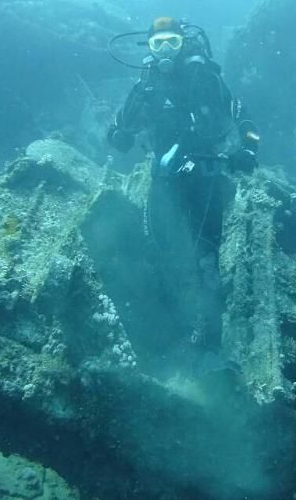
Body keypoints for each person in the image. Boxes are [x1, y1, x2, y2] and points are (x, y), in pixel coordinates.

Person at [107, 17, 259, 349]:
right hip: (164, 176)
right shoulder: (145, 85)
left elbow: (242, 114)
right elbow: (121, 123)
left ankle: (212, 341)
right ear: (149, 49)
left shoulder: (203, 77)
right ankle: (167, 328)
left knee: (206, 253)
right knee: (159, 246)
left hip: (206, 172)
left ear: (182, 45)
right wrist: (117, 135)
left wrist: (249, 147)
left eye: (171, 43)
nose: (165, 52)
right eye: (158, 44)